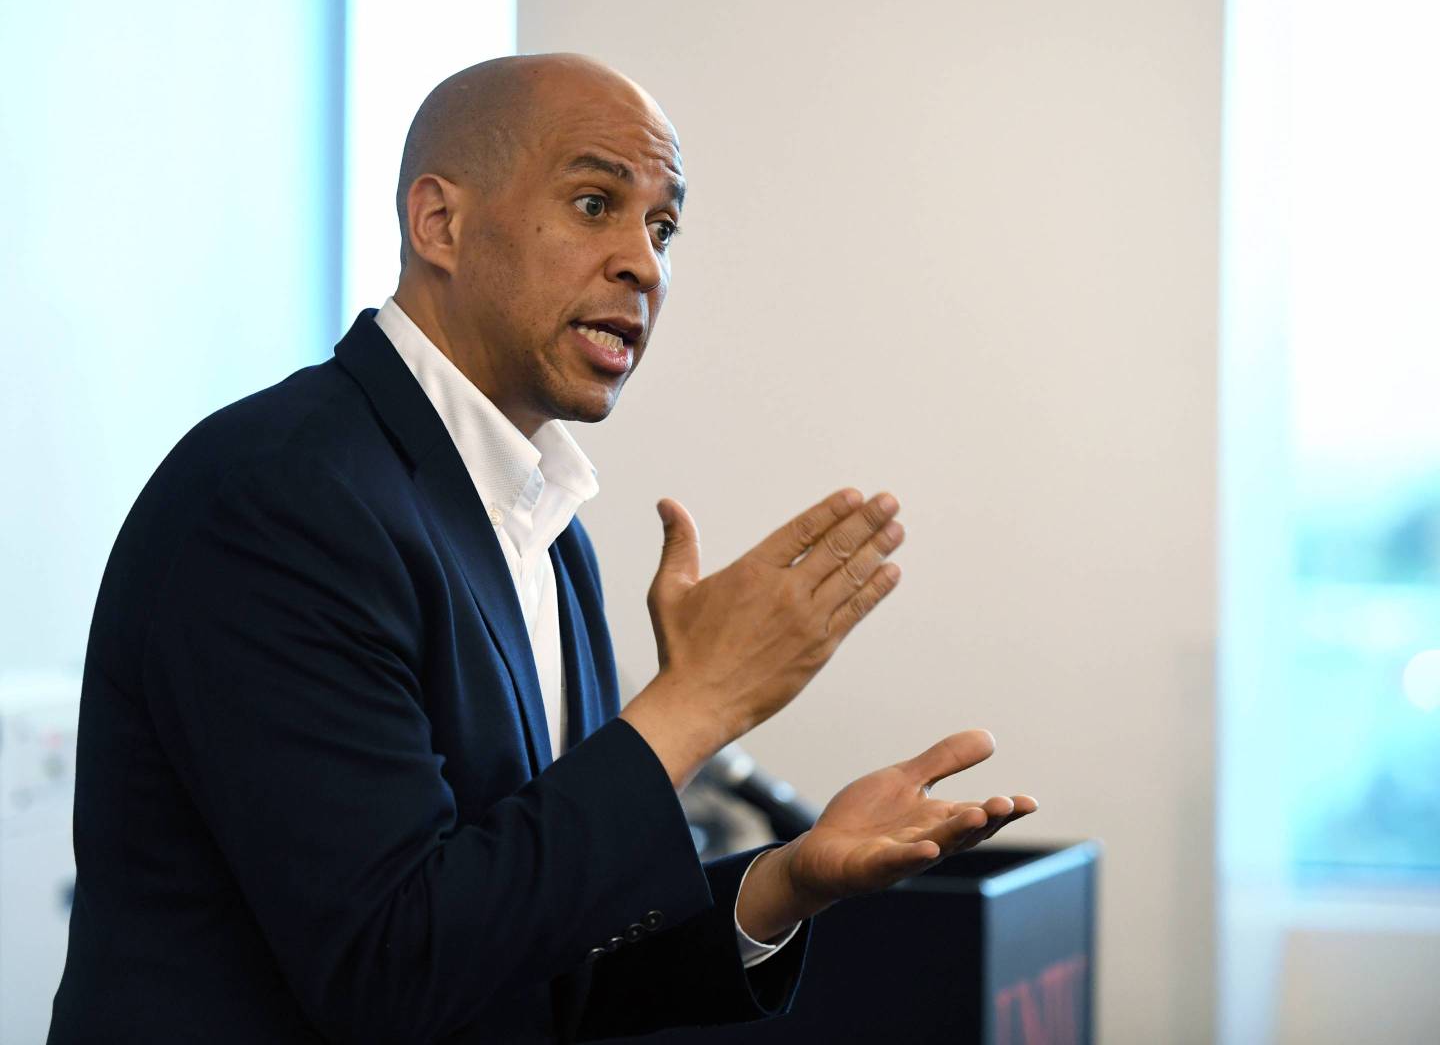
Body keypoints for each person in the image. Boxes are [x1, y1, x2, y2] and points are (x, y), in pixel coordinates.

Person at [48, 53, 1036, 1043]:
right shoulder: (280, 494)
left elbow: (538, 955)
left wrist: (784, 882)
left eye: (663, 225)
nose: (645, 264)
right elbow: (391, 966)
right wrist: (695, 705)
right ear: (441, 222)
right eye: (596, 202)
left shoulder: (540, 525)